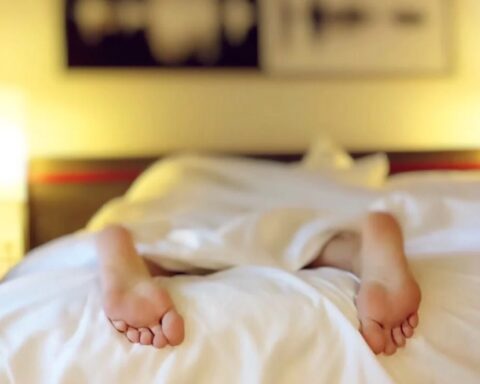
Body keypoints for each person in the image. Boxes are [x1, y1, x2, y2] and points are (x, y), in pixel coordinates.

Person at [97, 211, 421, 356]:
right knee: (316, 243)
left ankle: (126, 255)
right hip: (297, 219)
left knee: (174, 248)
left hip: (189, 224)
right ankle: (364, 250)